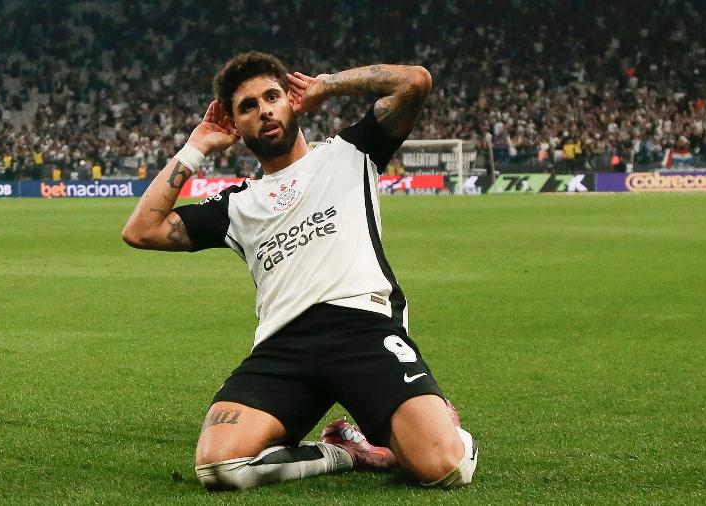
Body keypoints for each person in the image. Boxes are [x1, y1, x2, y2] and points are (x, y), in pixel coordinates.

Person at [122, 52, 477, 491]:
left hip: (362, 331)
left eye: (272, 96)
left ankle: (443, 428)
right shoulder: (236, 205)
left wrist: (327, 85)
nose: (263, 110)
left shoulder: (351, 151)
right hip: (283, 346)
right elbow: (141, 230)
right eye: (247, 106)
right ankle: (346, 452)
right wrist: (197, 147)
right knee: (218, 466)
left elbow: (415, 82)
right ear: (235, 125)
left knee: (444, 467)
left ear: (290, 100)